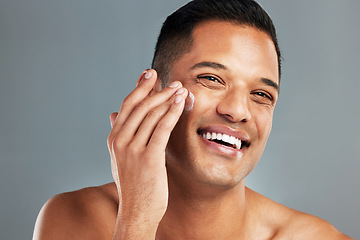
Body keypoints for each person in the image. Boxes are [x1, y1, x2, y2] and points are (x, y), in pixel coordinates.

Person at [33, 0, 353, 239]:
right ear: (152, 93)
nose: (238, 111)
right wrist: (138, 220)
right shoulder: (73, 220)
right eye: (212, 79)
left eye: (262, 94)